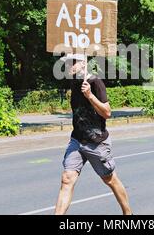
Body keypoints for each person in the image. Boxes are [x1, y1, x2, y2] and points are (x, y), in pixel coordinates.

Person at [54, 53, 132, 215]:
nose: (68, 66)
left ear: (83, 63)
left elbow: (107, 113)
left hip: (97, 142)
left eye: (72, 63)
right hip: (77, 140)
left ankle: (128, 213)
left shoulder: (96, 83)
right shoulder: (75, 82)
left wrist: (90, 96)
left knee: (109, 179)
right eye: (67, 63)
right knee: (67, 179)